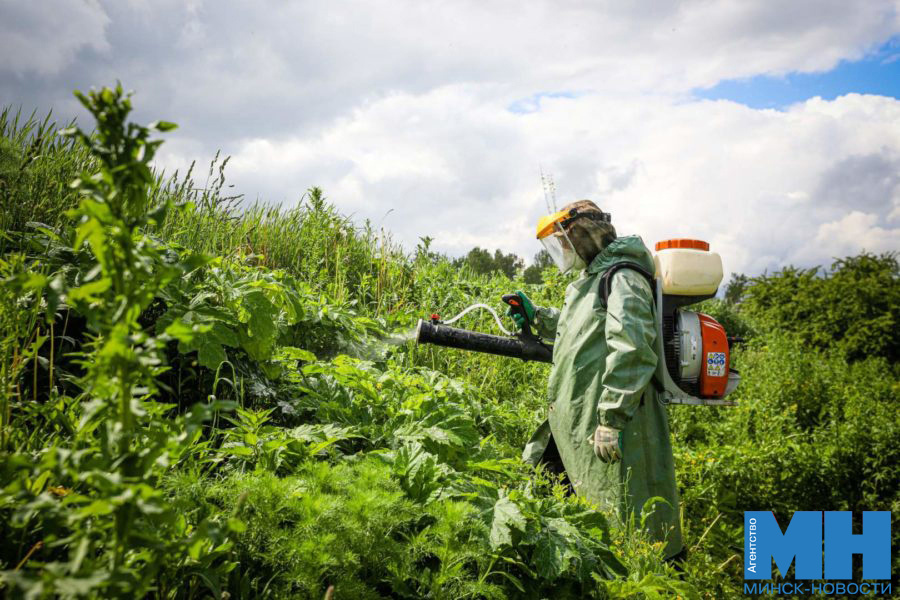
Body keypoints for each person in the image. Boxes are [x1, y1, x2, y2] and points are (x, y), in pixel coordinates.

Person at [508, 199, 684, 561]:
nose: (562, 251)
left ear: (583, 235)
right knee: (567, 501)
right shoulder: (594, 280)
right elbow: (580, 328)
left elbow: (632, 347)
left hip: (614, 424)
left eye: (564, 241)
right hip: (580, 416)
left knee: (629, 518)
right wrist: (536, 316)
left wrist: (612, 419)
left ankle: (657, 576)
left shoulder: (623, 277)